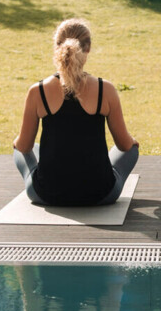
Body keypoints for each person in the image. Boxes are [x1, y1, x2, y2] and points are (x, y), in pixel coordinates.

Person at [13, 18, 139, 205]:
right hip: (101, 194)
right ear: (88, 48)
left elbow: (24, 147)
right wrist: (132, 143)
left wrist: (17, 141)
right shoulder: (106, 90)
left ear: (57, 47)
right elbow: (124, 146)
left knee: (24, 149)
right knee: (132, 150)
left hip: (47, 195)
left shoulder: (37, 91)